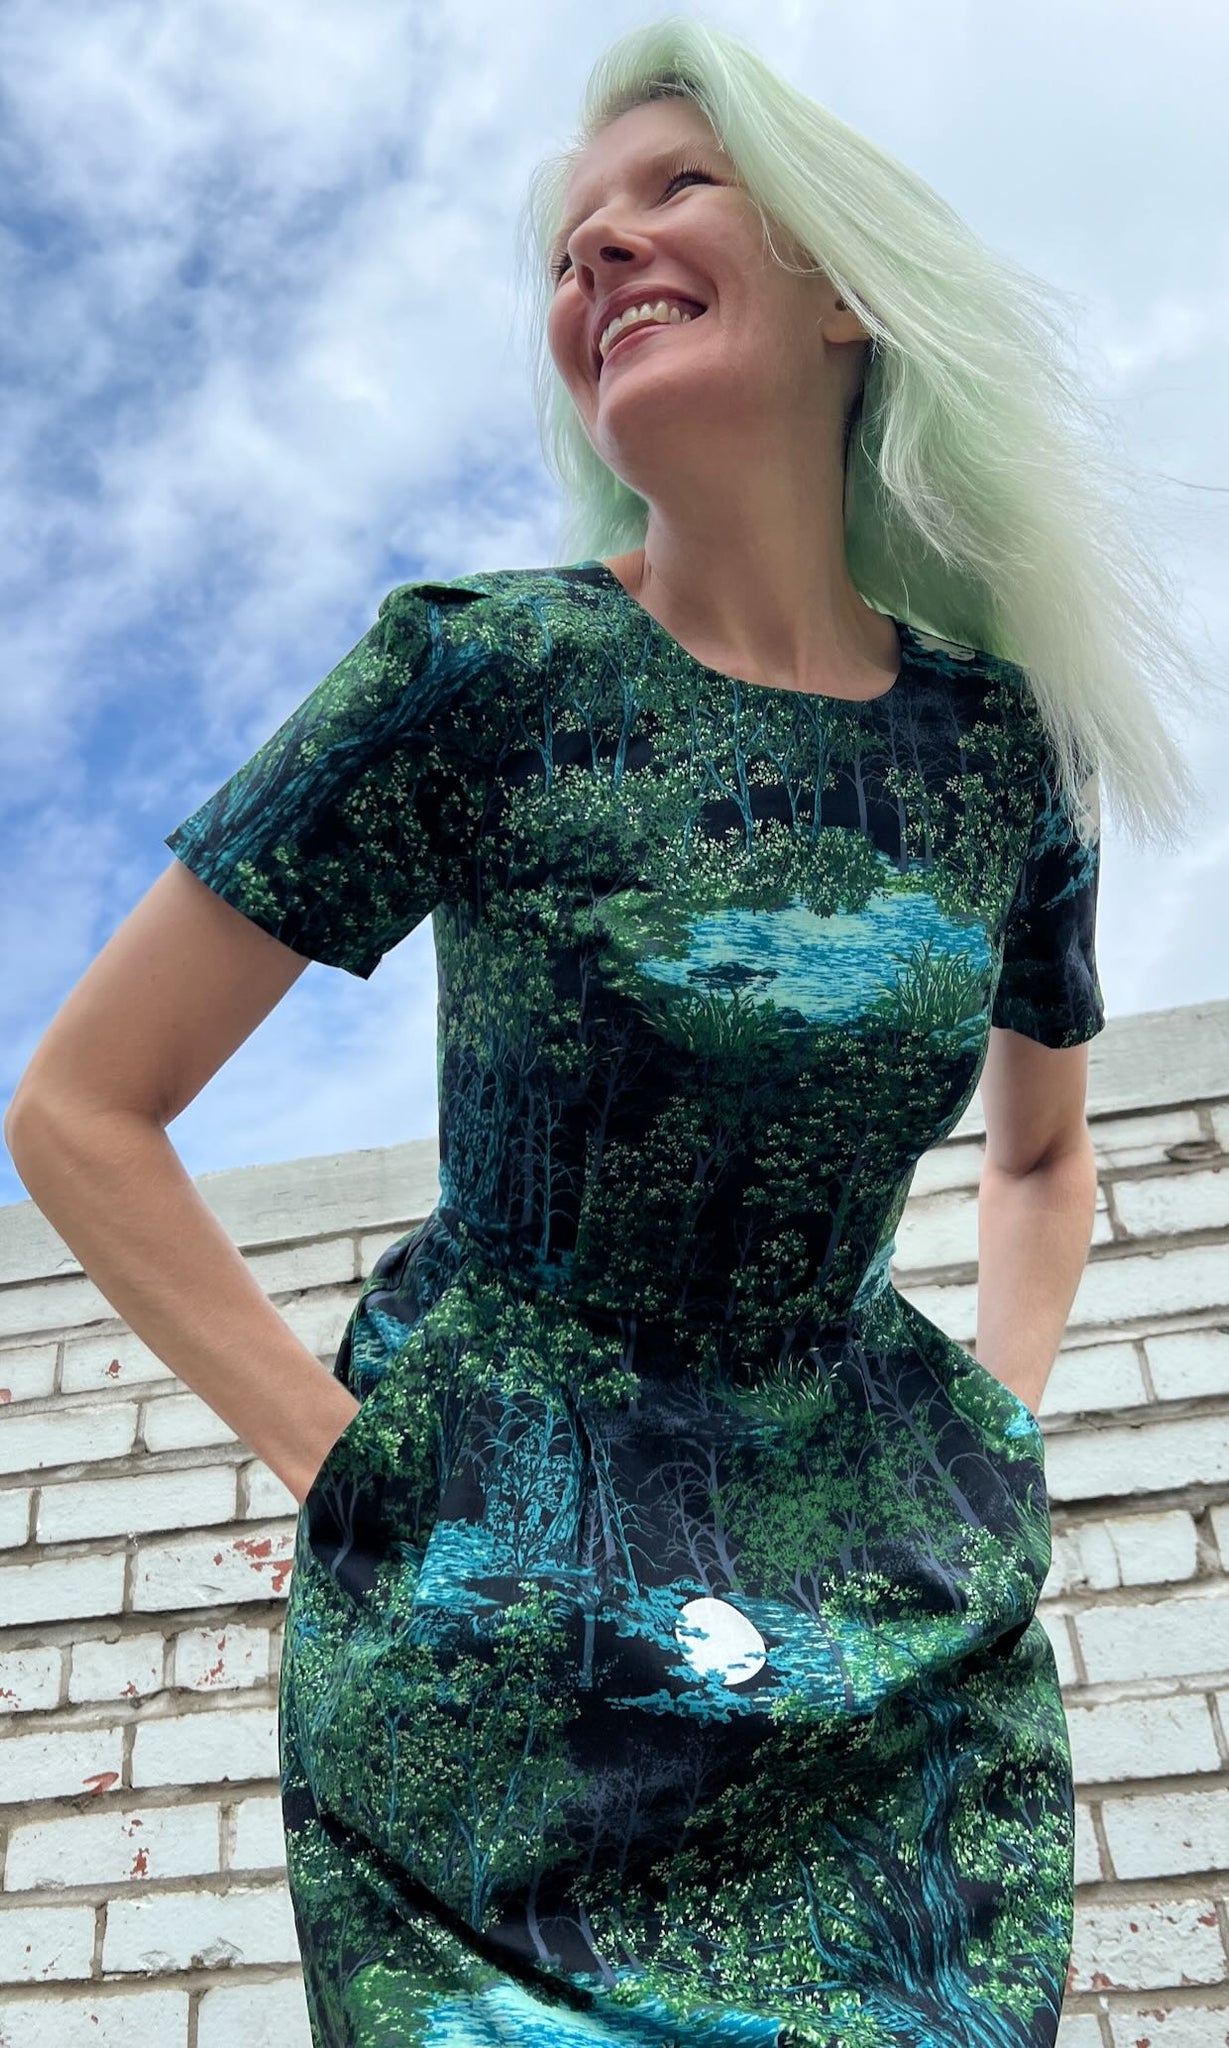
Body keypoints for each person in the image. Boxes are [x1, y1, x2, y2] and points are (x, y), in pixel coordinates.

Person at [4, 16, 1212, 2048]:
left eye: (674, 189)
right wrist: (358, 1477)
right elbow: (79, 1108)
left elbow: (1041, 1150)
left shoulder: (1006, 754)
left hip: (888, 1648)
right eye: (569, 242)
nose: (598, 251)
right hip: (495, 1647)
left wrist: (990, 1432)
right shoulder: (478, 677)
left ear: (841, 289)